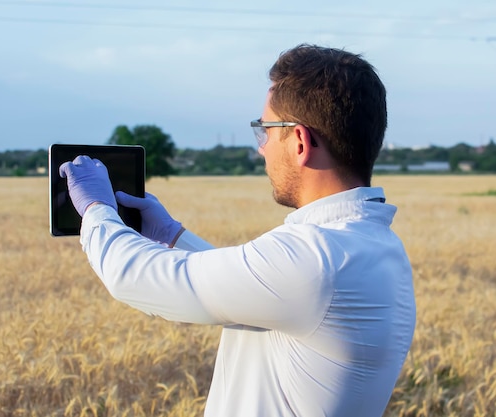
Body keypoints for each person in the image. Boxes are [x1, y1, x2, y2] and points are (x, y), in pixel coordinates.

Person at [59, 44, 416, 417]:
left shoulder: (317, 258)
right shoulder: (370, 246)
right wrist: (172, 236)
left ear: (299, 142)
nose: (261, 149)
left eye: (264, 130)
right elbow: (254, 288)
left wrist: (96, 209)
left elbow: (135, 279)